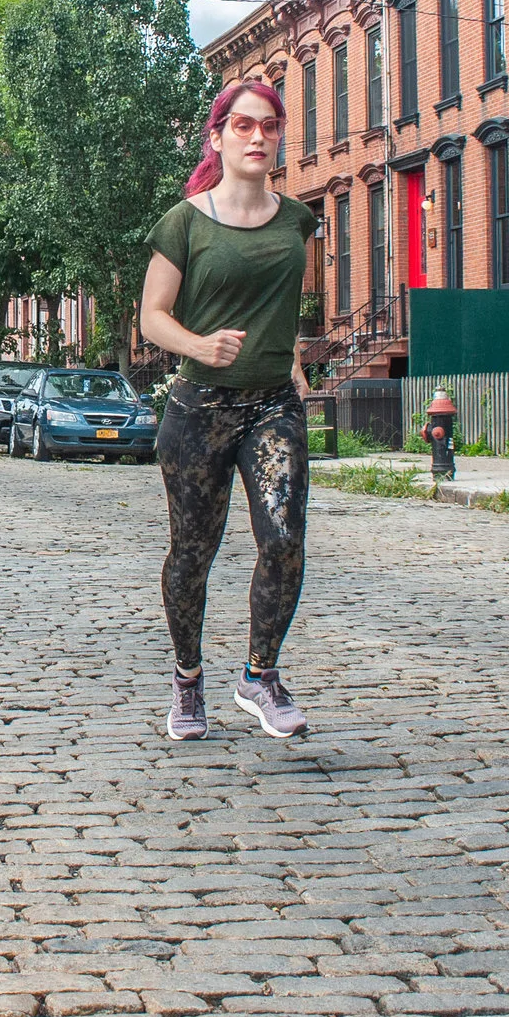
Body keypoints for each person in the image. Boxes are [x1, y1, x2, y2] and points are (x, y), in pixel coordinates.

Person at [138, 80, 320, 741]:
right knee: (193, 553)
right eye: (243, 126)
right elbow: (152, 318)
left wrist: (293, 354)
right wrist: (201, 346)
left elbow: (274, 300)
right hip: (198, 410)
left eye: (269, 126)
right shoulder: (184, 223)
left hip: (272, 405)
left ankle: (259, 675)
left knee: (284, 542)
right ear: (217, 136)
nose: (257, 137)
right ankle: (188, 682)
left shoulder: (298, 218)